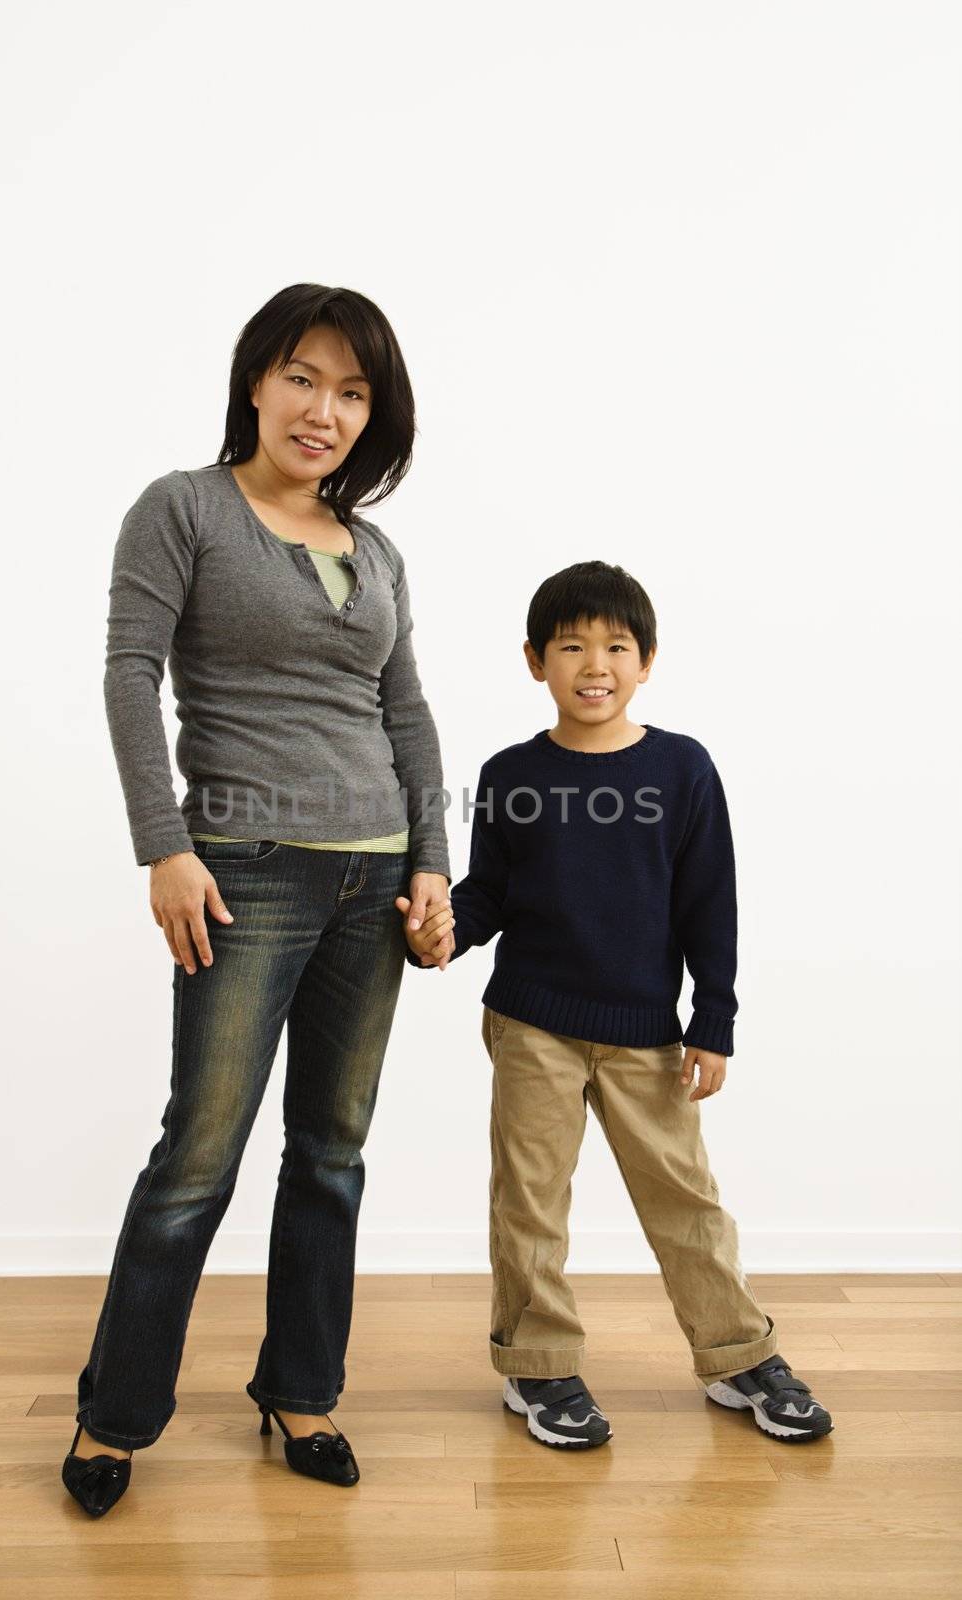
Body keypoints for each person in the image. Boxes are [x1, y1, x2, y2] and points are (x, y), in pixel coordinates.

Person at [63, 284, 452, 1517]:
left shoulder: (374, 548)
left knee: (331, 1152)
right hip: (244, 875)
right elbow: (131, 677)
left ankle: (300, 1391)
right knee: (198, 1155)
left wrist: (431, 859)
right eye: (301, 378)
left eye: (350, 391)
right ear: (253, 382)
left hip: (375, 875)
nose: (322, 410)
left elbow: (406, 713)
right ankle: (115, 1415)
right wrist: (163, 846)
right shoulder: (181, 510)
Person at [398, 561, 834, 1450]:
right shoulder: (511, 772)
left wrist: (714, 1020)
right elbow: (491, 894)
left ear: (645, 662)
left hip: (644, 1032)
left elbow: (710, 900)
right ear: (534, 662)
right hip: (531, 1025)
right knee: (529, 1202)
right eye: (570, 647)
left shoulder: (681, 768)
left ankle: (737, 1355)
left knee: (686, 1201)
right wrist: (442, 931)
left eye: (613, 647)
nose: (592, 664)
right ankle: (538, 1367)